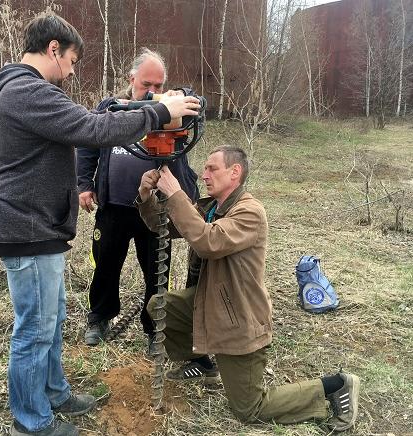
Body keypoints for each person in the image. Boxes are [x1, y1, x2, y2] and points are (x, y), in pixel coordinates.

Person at [0, 12, 200, 436]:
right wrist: (158, 112)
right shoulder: (28, 91)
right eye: (74, 60)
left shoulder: (25, 90)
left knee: (52, 317)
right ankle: (32, 422)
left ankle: (55, 391)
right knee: (34, 329)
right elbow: (92, 127)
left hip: (40, 226)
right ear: (53, 50)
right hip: (26, 228)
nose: (72, 69)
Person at [136, 146, 360, 432]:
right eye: (204, 169)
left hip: (238, 320)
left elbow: (207, 243)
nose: (204, 175)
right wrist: (146, 196)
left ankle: (334, 386)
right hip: (210, 303)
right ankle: (203, 365)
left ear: (235, 172)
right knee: (160, 305)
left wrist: (177, 193)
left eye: (211, 168)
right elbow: (168, 225)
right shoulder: (213, 207)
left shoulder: (250, 212)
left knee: (250, 408)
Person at [76, 48, 200, 350]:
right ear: (131, 78)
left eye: (159, 85)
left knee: (158, 270)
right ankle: (100, 317)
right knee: (105, 263)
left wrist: (174, 97)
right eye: (147, 84)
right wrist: (84, 185)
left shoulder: (171, 109)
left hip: (154, 209)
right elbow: (88, 145)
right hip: (113, 206)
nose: (152, 91)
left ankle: (154, 327)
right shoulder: (111, 107)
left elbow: (193, 100)